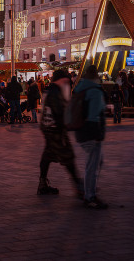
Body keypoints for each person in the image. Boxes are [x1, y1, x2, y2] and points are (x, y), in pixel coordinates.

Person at [37, 69, 82, 197]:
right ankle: (79, 187)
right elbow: (58, 111)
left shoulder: (49, 89)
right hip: (55, 128)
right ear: (61, 79)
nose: (68, 82)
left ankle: (42, 184)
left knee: (47, 156)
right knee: (68, 156)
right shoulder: (55, 91)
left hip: (47, 127)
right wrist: (65, 127)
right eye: (66, 79)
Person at [74, 65, 108, 209]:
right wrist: (98, 134)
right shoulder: (94, 91)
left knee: (96, 162)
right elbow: (94, 115)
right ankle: (89, 196)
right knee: (93, 165)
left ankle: (88, 191)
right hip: (91, 131)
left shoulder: (79, 87)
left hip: (80, 130)